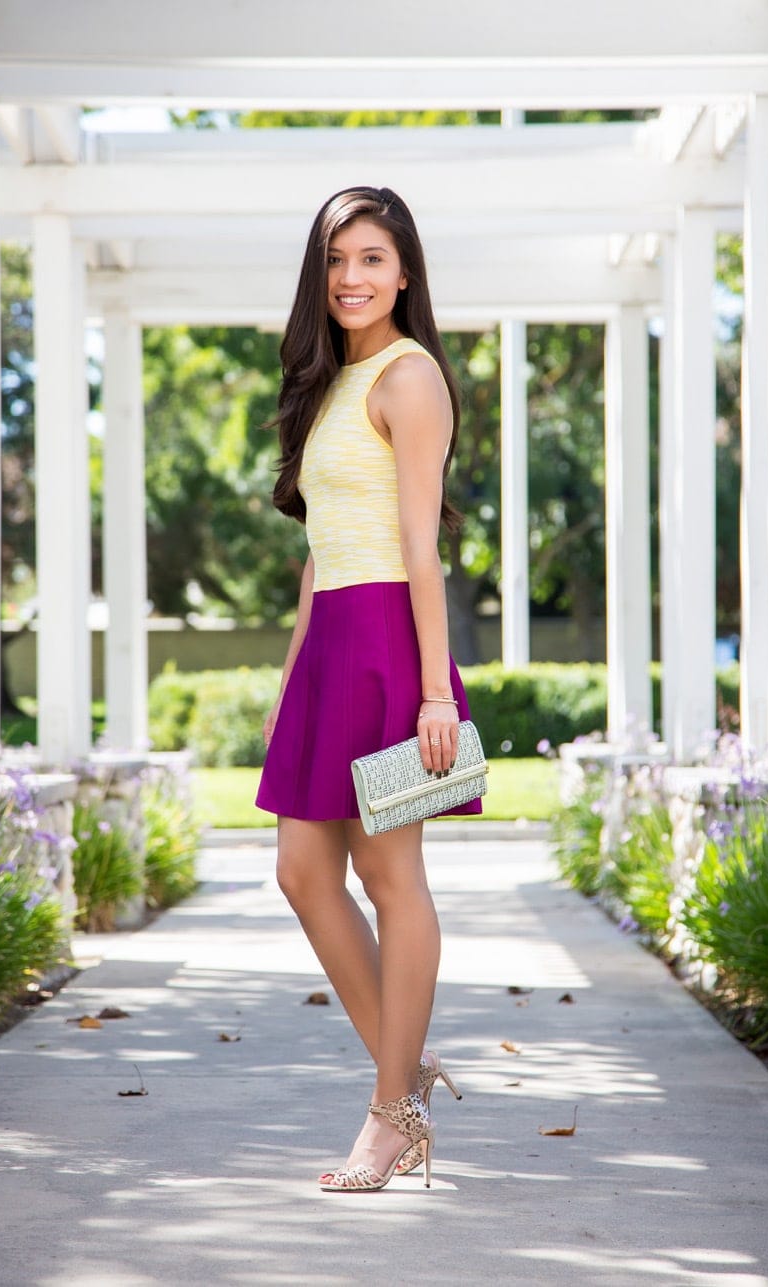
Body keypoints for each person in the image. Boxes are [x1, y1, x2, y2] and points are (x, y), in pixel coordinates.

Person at [255, 185, 481, 1192]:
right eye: (338, 259)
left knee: (394, 881)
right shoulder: (328, 383)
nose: (353, 277)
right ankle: (409, 1074)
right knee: (302, 873)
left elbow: (419, 549)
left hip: (394, 646)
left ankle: (390, 1117)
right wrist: (292, 675)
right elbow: (318, 552)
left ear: (406, 273)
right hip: (332, 647)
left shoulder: (411, 377)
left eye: (373, 259)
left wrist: (435, 695)